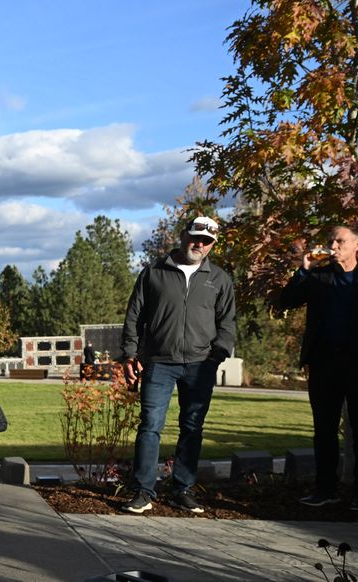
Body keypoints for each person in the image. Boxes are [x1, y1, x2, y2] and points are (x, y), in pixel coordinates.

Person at [119, 216, 235, 515]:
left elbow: (227, 323)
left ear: (213, 244)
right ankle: (143, 491)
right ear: (184, 235)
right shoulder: (154, 273)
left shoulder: (219, 279)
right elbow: (134, 316)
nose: (199, 244)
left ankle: (182, 489)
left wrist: (217, 355)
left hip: (200, 365)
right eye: (196, 237)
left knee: (192, 428)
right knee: (150, 426)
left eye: (207, 241)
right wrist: (130, 355)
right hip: (159, 362)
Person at [277, 226, 358, 513]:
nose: (333, 246)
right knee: (324, 429)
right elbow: (285, 301)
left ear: (357, 245)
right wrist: (303, 270)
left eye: (340, 241)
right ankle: (325, 489)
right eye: (330, 241)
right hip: (324, 363)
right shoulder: (319, 276)